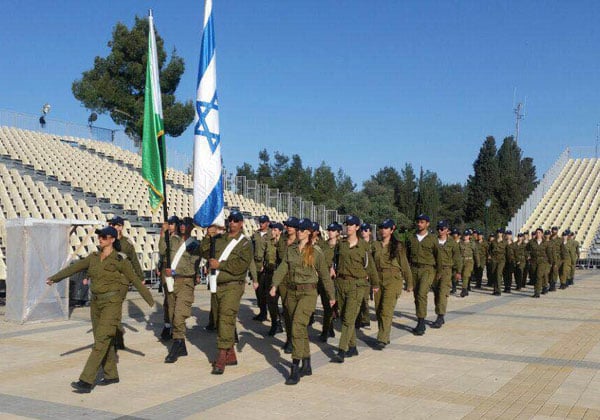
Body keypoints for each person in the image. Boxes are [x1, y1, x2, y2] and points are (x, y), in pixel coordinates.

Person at [46, 226, 154, 393]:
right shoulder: (93, 257)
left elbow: (135, 279)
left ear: (112, 239)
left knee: (101, 341)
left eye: (104, 236)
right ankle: (111, 374)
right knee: (104, 340)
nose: (100, 239)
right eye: (99, 236)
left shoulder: (120, 260)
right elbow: (73, 268)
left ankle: (86, 380)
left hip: (112, 303)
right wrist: (55, 278)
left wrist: (149, 300)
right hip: (95, 304)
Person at [270, 218, 335, 385]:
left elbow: (325, 276)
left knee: (298, 327)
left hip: (308, 294)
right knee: (298, 328)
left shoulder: (316, 252)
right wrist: (274, 285)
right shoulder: (291, 250)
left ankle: (295, 366)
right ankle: (307, 363)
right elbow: (282, 268)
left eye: (302, 229)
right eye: (297, 229)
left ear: (308, 232)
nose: (298, 231)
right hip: (292, 293)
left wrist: (332, 296)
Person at [201, 210, 252, 375]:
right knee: (218, 318)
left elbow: (241, 266)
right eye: (230, 220)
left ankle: (221, 355)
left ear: (241, 223)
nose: (232, 223)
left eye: (236, 221)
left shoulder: (245, 243)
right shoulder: (219, 239)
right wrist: (208, 236)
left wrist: (220, 265)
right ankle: (230, 353)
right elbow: (203, 252)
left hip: (233, 285)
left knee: (226, 317)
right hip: (217, 285)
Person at [330, 215, 380, 363]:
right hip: (341, 283)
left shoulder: (364, 246)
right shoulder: (341, 244)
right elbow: (334, 260)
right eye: (347, 224)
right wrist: (331, 269)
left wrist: (375, 284)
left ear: (357, 227)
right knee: (345, 316)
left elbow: (370, 267)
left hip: (357, 285)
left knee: (348, 319)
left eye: (352, 225)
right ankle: (352, 347)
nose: (348, 227)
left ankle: (341, 350)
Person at [163, 217, 200, 363]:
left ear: (192, 227)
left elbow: (191, 265)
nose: (183, 226)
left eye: (186, 224)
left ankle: (177, 344)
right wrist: (162, 234)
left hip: (186, 282)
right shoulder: (173, 240)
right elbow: (162, 251)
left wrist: (174, 271)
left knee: (179, 315)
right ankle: (182, 345)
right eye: (182, 224)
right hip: (173, 282)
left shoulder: (195, 244)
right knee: (172, 315)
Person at [372, 219, 412, 349]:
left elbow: (404, 265)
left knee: (386, 309)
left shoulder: (398, 246)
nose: (383, 230)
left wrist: (409, 282)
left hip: (393, 279)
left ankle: (382, 338)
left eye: (386, 228)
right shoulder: (375, 245)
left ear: (392, 229)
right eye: (381, 227)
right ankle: (385, 335)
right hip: (378, 278)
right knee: (378, 309)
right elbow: (371, 264)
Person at [107, 216, 144, 350]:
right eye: (111, 224)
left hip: (122, 280)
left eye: (116, 225)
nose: (113, 227)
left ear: (121, 227)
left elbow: (134, 260)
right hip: (109, 279)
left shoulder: (126, 243)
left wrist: (141, 277)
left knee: (115, 308)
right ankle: (118, 335)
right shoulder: (107, 240)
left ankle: (115, 337)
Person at [406, 214, 440, 335]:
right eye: (418, 222)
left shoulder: (432, 239)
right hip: (414, 269)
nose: (419, 224)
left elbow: (438, 257)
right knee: (417, 296)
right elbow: (407, 256)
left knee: (421, 294)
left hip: (428, 269)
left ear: (427, 224)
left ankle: (421, 322)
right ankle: (420, 318)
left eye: (422, 222)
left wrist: (438, 273)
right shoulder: (411, 238)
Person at [277, 216, 300, 353]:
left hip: (296, 278)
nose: (287, 227)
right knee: (286, 310)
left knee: (295, 312)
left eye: (290, 225)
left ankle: (295, 340)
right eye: (286, 225)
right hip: (283, 279)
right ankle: (289, 338)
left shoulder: (301, 241)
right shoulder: (283, 240)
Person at [434, 221, 461, 329]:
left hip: (446, 270)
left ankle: (440, 316)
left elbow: (457, 257)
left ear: (447, 230)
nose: (440, 231)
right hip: (435, 270)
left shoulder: (452, 243)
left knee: (442, 293)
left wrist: (458, 271)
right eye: (438, 228)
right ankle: (440, 313)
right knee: (436, 293)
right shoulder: (433, 241)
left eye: (442, 229)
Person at [157, 215, 180, 339]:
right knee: (168, 299)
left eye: (171, 224)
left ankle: (175, 324)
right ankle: (168, 324)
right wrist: (162, 234)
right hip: (166, 268)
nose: (169, 226)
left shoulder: (177, 239)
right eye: (168, 223)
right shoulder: (166, 237)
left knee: (174, 300)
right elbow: (161, 251)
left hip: (176, 269)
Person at [319, 222, 342, 342]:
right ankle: (327, 330)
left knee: (334, 307)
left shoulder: (342, 246)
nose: (330, 232)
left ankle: (329, 329)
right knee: (327, 306)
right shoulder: (324, 246)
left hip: (338, 280)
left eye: (333, 230)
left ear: (338, 232)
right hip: (325, 279)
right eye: (329, 230)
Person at [251, 215, 272, 322]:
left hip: (266, 267)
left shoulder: (271, 234)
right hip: (256, 265)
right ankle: (262, 312)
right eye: (260, 222)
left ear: (268, 223)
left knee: (265, 291)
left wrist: (266, 263)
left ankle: (269, 312)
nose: (261, 224)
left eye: (263, 222)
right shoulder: (256, 234)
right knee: (258, 291)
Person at [356, 222, 374, 329]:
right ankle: (359, 319)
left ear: (370, 232)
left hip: (369, 275)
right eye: (362, 230)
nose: (363, 232)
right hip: (359, 274)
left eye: (366, 230)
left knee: (365, 299)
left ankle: (365, 319)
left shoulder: (373, 245)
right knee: (359, 298)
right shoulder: (358, 243)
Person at [527, 228, 552, 298]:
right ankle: (537, 290)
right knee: (534, 276)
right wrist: (528, 256)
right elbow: (526, 250)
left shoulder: (545, 243)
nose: (538, 234)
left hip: (542, 262)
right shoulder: (531, 242)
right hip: (534, 262)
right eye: (537, 233)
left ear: (542, 234)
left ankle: (537, 292)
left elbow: (549, 253)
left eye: (539, 233)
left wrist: (551, 262)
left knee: (539, 276)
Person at [459, 229, 479, 297]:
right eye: (464, 235)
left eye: (467, 235)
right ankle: (466, 289)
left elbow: (476, 253)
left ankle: (463, 290)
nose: (465, 236)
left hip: (469, 261)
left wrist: (478, 262)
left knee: (465, 274)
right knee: (463, 276)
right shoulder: (460, 243)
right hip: (461, 261)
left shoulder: (472, 244)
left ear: (469, 236)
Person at [489, 228, 508, 296]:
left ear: (502, 234)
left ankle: (498, 290)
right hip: (494, 259)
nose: (499, 234)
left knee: (498, 274)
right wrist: (490, 256)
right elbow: (490, 250)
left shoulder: (505, 242)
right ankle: (495, 289)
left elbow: (507, 252)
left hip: (501, 260)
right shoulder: (493, 242)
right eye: (498, 232)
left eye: (500, 233)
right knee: (494, 274)